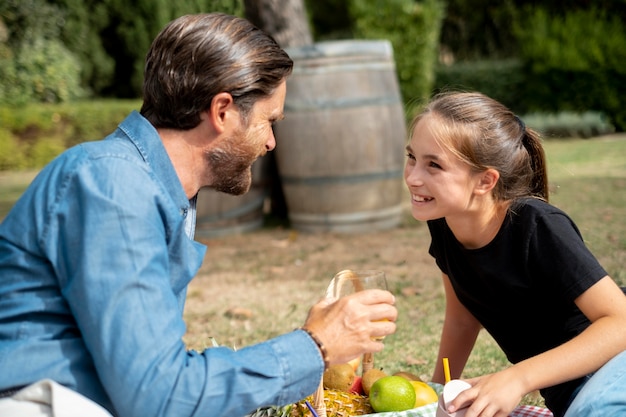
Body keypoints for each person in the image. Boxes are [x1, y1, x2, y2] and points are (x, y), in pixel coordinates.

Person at [0, 13, 398, 417]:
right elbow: (159, 395)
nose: (271, 142)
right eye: (268, 121)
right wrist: (315, 346)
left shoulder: (157, 191)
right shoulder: (113, 186)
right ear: (222, 110)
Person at [403, 91, 626, 417]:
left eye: (433, 165)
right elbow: (463, 318)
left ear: (485, 180)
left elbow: (620, 322)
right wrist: (434, 395)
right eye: (412, 158)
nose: (412, 177)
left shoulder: (536, 225)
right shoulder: (444, 223)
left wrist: (516, 378)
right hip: (574, 396)